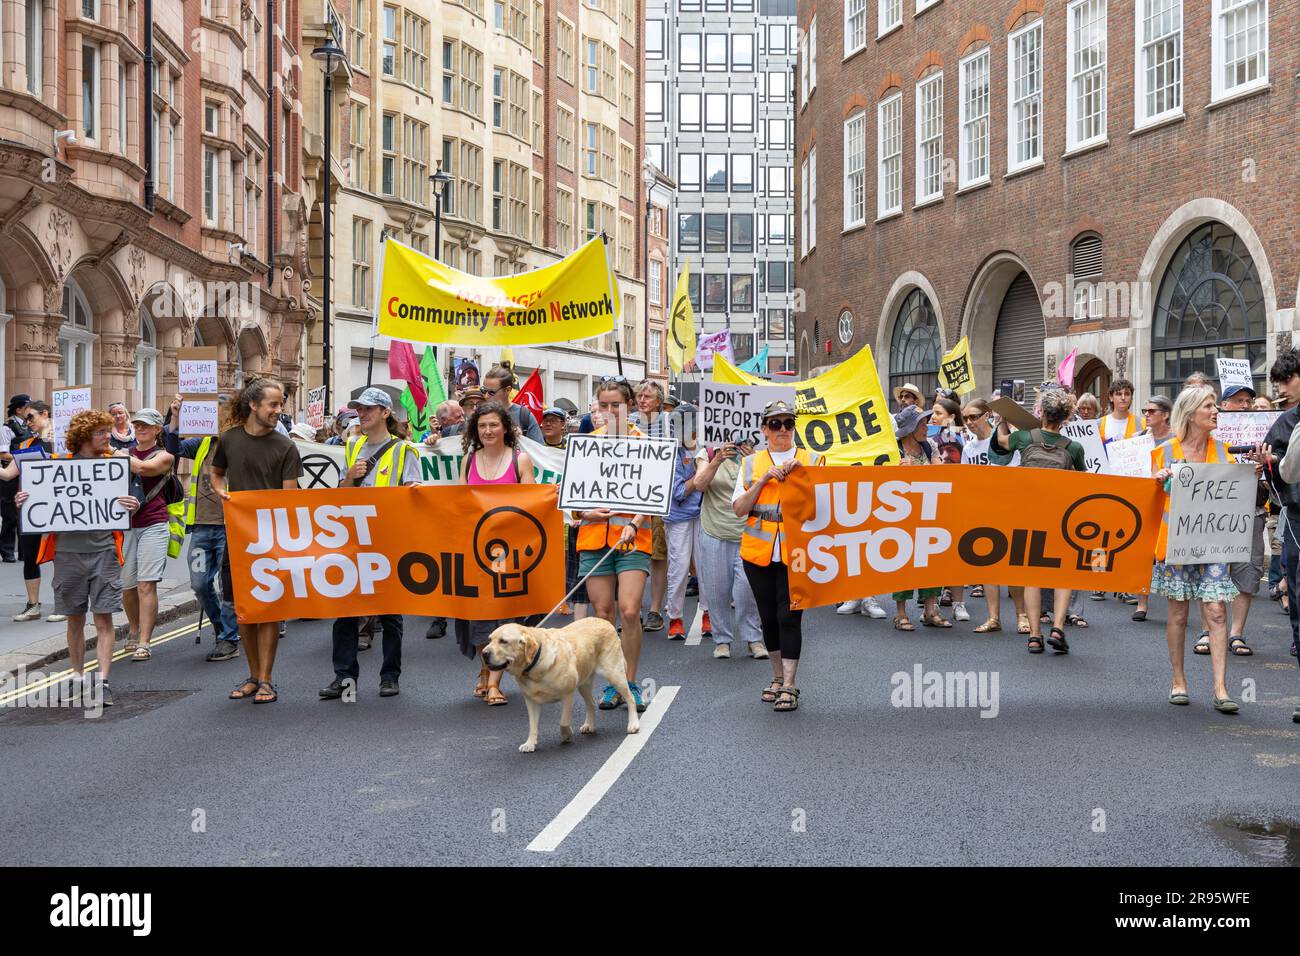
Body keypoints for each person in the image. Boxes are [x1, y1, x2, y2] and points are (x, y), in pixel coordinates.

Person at [18, 410, 142, 706]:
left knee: (103, 619)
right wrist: (23, 501)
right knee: (75, 619)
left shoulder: (114, 465)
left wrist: (132, 505)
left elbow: (126, 507)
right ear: (85, 436)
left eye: (107, 432)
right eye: (101, 432)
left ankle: (102, 681)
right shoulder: (58, 466)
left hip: (104, 552)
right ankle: (76, 676)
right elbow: (37, 504)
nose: (106, 437)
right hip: (68, 554)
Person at [318, 388, 420, 701]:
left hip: (388, 540)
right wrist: (349, 477)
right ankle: (344, 677)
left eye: (369, 410)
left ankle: (390, 676)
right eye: (359, 410)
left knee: (390, 613)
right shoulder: (352, 446)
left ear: (385, 413)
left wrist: (411, 491)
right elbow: (339, 495)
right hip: (354, 541)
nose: (362, 415)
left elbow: (414, 495)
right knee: (345, 611)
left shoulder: (404, 451)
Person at [210, 379, 303, 704]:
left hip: (272, 539)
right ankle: (252, 675)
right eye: (273, 405)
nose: (279, 411)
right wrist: (220, 489)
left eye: (280, 405)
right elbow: (217, 471)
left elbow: (290, 495)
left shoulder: (285, 446)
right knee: (244, 610)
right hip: (237, 536)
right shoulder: (230, 439)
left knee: (269, 609)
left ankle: (266, 679)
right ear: (253, 405)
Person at [1152, 386, 1241, 714]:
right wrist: (1156, 481)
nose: (1215, 410)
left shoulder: (1224, 451)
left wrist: (1253, 475)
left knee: (1216, 612)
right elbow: (1148, 500)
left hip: (1214, 542)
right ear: (1190, 414)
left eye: (1215, 405)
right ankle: (1179, 680)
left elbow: (1235, 495)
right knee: (1178, 613)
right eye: (1208, 406)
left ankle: (1220, 688)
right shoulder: (1165, 452)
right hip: (1176, 543)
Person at [733, 400, 823, 711]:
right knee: (768, 616)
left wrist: (805, 476)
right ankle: (775, 676)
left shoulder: (812, 459)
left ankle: (789, 683)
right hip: (758, 552)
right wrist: (763, 480)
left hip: (797, 550)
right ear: (764, 429)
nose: (782, 429)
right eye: (775, 424)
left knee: (790, 614)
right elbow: (739, 509)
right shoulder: (751, 464)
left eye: (788, 423)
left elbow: (823, 509)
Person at [576, 377, 653, 711]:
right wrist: (586, 512)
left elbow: (653, 498)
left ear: (630, 406)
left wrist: (634, 524)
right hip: (594, 539)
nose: (609, 412)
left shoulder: (645, 443)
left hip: (633, 540)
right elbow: (573, 502)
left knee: (630, 610)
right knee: (603, 615)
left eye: (616, 405)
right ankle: (612, 682)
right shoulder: (586, 444)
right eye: (603, 405)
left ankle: (630, 682)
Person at [992, 387, 1086, 654]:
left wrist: (1003, 420)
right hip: (1059, 518)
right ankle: (1057, 627)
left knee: (1031, 575)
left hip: (1027, 515)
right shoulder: (1073, 447)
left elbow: (1002, 442)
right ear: (1066, 417)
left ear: (1042, 413)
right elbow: (1084, 482)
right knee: (1063, 574)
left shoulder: (1024, 438)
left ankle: (1034, 635)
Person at [454, 400, 536, 705]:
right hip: (475, 551)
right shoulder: (468, 460)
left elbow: (531, 505)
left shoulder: (520, 461)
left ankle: (494, 685)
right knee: (478, 616)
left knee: (504, 614)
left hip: (509, 552)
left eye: (493, 425)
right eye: (482, 425)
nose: (487, 430)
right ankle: (485, 670)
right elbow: (460, 504)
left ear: (505, 428)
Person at [162, 395, 241, 661]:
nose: (213, 417)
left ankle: (229, 638)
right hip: (203, 528)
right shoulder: (203, 443)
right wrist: (174, 417)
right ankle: (221, 628)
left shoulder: (240, 443)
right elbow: (173, 448)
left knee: (227, 586)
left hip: (230, 526)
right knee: (199, 584)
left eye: (217, 412)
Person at [689, 439, 766, 659]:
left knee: (746, 591)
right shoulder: (708, 452)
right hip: (715, 531)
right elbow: (699, 484)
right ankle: (722, 640)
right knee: (717, 590)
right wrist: (717, 459)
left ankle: (754, 639)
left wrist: (753, 461)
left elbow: (764, 489)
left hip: (747, 533)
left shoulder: (757, 455)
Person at [959, 399, 1026, 633]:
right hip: (982, 510)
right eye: (965, 418)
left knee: (1013, 565)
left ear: (987, 415)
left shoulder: (1003, 440)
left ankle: (1021, 616)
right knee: (989, 565)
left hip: (1007, 507)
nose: (969, 422)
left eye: (973, 417)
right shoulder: (968, 447)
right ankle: (993, 618)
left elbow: (1017, 472)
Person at [119, 408, 175, 663]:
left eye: (146, 426)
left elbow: (143, 468)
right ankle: (133, 628)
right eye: (137, 425)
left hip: (153, 523)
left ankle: (144, 641)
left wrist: (112, 453)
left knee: (146, 584)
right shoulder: (123, 453)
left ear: (157, 430)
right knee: (127, 586)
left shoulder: (165, 457)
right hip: (126, 526)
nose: (140, 429)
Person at [889, 406, 947, 630]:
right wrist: (896, 470)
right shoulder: (894, 450)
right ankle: (901, 614)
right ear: (910, 428)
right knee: (903, 563)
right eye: (922, 424)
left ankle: (930, 610)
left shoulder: (929, 446)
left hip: (928, 515)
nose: (926, 427)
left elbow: (941, 474)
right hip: (901, 518)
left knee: (931, 561)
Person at [10, 401, 62, 623]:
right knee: (30, 556)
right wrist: (17, 496)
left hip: (60, 508)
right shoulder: (26, 444)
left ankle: (62, 604)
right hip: (31, 508)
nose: (28, 422)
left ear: (45, 414)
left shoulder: (64, 442)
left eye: (31, 417)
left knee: (60, 556)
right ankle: (33, 605)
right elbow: (9, 474)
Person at [663, 404, 708, 641]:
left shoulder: (705, 449)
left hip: (704, 516)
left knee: (706, 568)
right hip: (678, 518)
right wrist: (700, 476)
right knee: (679, 568)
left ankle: (708, 614)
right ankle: (676, 618)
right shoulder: (671, 453)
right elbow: (679, 492)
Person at [631, 381, 672, 633]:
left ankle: (655, 609)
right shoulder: (627, 422)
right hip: (630, 494)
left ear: (659, 401)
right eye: (639, 396)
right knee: (631, 553)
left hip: (657, 495)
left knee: (658, 554)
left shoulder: (669, 423)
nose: (642, 400)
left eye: (647, 396)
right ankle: (632, 607)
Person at [0, 393, 33, 562]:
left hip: (26, 474)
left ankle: (22, 551)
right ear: (19, 409)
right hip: (10, 476)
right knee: (10, 514)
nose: (30, 411)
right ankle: (6, 551)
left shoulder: (29, 426)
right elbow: (3, 454)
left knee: (24, 512)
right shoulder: (7, 428)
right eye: (27, 407)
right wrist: (22, 458)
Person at [481, 365, 544, 442]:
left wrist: (521, 440)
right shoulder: (479, 413)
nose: (486, 396)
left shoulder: (524, 416)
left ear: (508, 390)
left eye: (491, 392)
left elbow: (539, 450)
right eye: (483, 390)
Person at [1099, 378, 1144, 444]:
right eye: (1118, 394)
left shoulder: (1142, 423)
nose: (1123, 398)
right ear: (1111, 397)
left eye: (1127, 394)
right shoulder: (1098, 424)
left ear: (1131, 398)